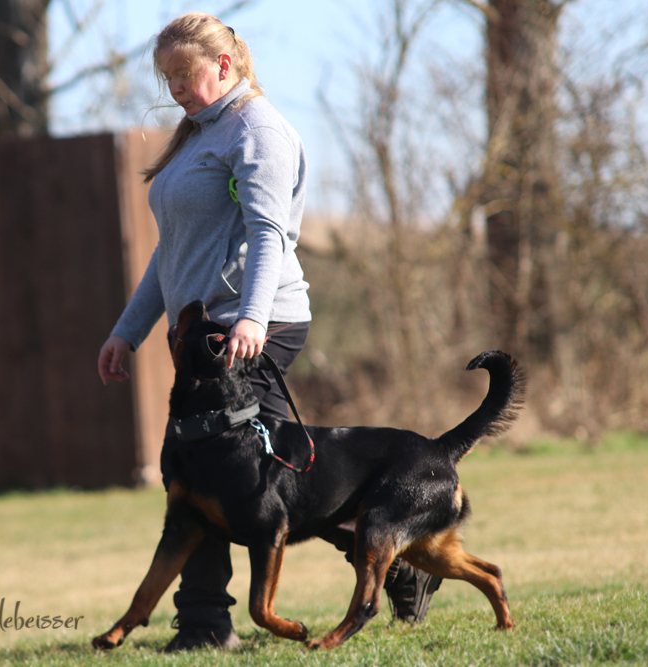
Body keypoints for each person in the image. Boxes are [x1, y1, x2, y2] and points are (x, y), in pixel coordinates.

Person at [97, 12, 439, 651]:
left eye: (184, 72)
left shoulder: (258, 131)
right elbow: (171, 252)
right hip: (206, 333)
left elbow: (267, 234)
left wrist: (252, 317)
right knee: (238, 476)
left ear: (224, 64)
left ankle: (205, 623)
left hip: (258, 325)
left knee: (237, 477)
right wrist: (128, 331)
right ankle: (399, 569)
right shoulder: (199, 134)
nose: (174, 87)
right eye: (167, 77)